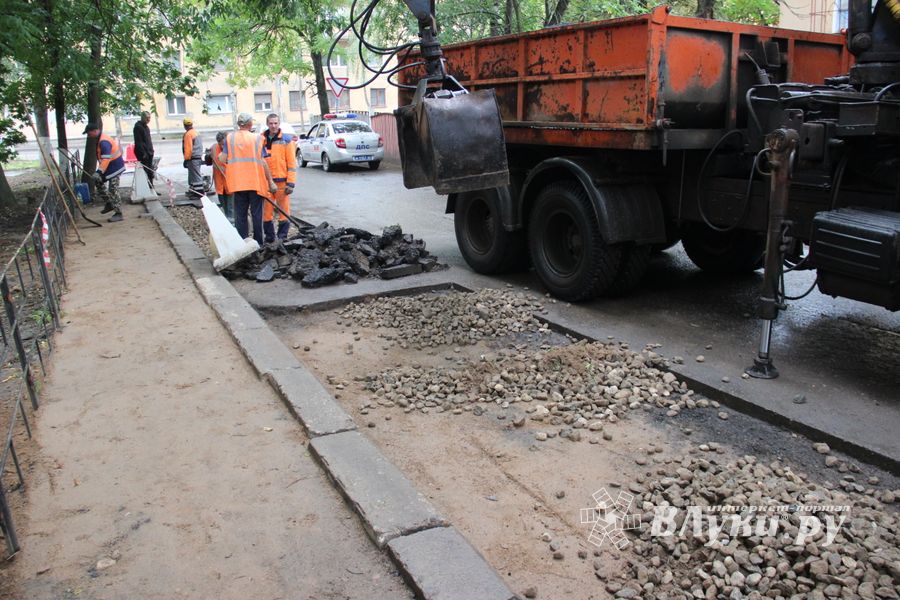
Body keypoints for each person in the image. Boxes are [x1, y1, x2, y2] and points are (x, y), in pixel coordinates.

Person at [219, 113, 277, 245]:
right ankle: (259, 243)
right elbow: (263, 162)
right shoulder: (257, 138)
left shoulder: (230, 138)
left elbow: (222, 159)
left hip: (238, 183)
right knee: (257, 215)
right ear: (250, 124)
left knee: (241, 215)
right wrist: (270, 181)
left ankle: (242, 243)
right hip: (255, 182)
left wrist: (218, 155)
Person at [260, 113, 297, 242]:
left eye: (275, 123)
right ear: (267, 124)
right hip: (266, 183)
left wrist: (291, 183)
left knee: (284, 212)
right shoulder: (260, 140)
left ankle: (282, 238)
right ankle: (270, 238)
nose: (273, 126)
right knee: (266, 213)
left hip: (282, 182)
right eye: (271, 123)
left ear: (279, 123)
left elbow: (292, 164)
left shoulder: (286, 141)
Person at [84, 123, 126, 222]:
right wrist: (100, 172)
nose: (88, 136)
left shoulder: (104, 141)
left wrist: (99, 172)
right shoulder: (100, 139)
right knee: (98, 182)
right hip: (109, 167)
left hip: (115, 167)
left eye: (89, 133)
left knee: (113, 189)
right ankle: (109, 203)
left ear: (95, 131)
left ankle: (119, 213)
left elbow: (106, 159)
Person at [209, 131, 233, 220]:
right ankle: (228, 222)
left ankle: (233, 225)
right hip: (220, 185)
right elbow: (208, 159)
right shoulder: (214, 148)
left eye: (224, 144)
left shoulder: (233, 149)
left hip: (231, 185)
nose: (223, 147)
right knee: (224, 206)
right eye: (221, 144)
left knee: (231, 208)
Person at [182, 118, 204, 199]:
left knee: (196, 176)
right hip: (198, 157)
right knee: (193, 176)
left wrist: (186, 159)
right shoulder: (196, 132)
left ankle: (199, 193)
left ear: (184, 126)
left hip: (192, 158)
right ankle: (194, 191)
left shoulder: (188, 134)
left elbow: (188, 148)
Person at [133, 111, 155, 188]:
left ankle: (151, 188)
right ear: (143, 118)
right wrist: (143, 153)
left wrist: (151, 150)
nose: (149, 120)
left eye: (149, 118)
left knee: (150, 172)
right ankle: (147, 188)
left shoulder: (146, 127)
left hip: (149, 152)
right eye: (147, 118)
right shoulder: (138, 127)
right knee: (146, 172)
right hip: (143, 154)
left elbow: (148, 140)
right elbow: (139, 142)